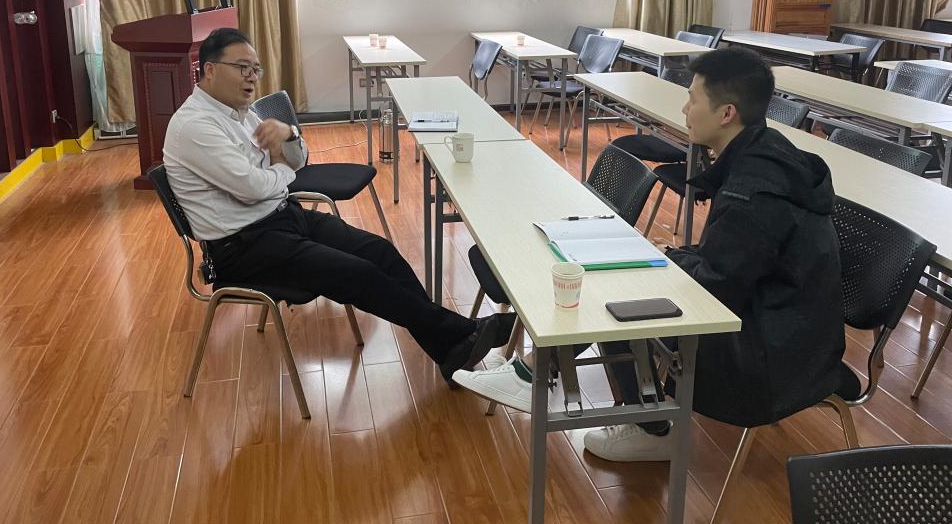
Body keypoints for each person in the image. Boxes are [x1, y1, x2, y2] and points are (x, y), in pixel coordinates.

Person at [454, 47, 846, 462]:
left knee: (624, 293)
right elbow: (733, 262)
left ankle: (650, 428)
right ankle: (538, 373)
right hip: (781, 323)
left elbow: (718, 285)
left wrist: (670, 259)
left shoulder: (755, 189)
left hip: (774, 350)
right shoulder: (762, 153)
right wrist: (673, 257)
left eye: (693, 99)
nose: (685, 109)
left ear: (726, 113)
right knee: (629, 272)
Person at [163, 28, 513, 380]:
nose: (252, 77)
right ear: (210, 70)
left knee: (379, 252)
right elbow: (254, 187)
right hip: (243, 248)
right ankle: (461, 336)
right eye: (243, 68)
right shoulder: (195, 126)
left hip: (282, 218)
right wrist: (280, 166)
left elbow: (298, 160)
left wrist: (289, 134)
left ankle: (452, 347)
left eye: (256, 69)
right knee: (359, 274)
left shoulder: (241, 112)